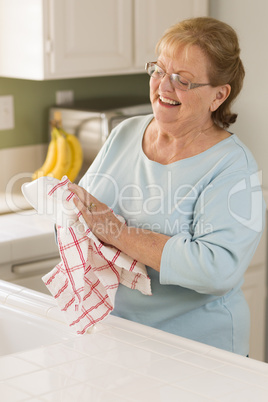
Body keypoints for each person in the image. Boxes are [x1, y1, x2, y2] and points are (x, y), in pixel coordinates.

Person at [68, 17, 265, 356]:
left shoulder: (233, 167)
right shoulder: (126, 133)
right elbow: (85, 213)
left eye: (182, 80)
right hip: (117, 338)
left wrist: (116, 231)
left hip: (199, 354)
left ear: (218, 95)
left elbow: (216, 269)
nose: (164, 86)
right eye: (158, 71)